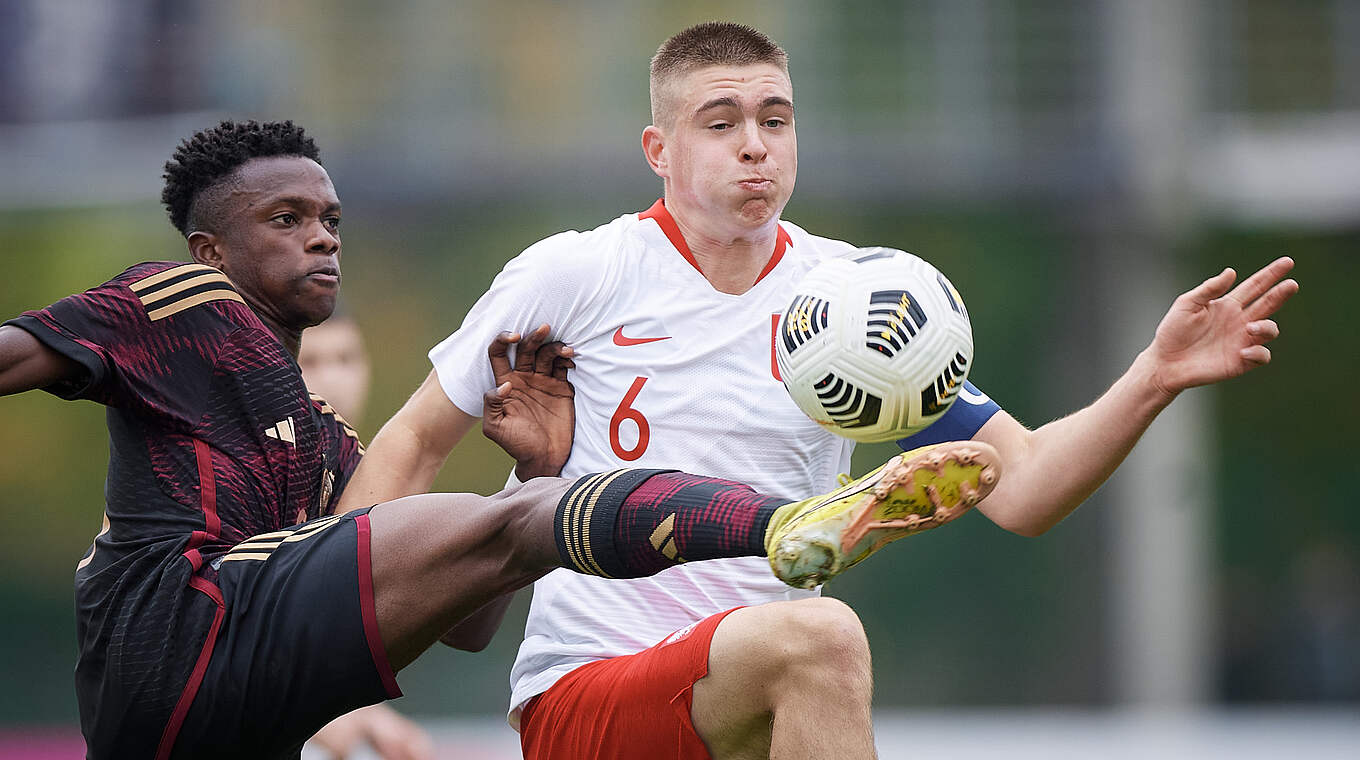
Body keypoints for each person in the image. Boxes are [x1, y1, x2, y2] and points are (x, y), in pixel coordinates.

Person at [345, 22, 1299, 760]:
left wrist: (1157, 373)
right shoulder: (578, 275)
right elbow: (414, 443)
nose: (755, 146)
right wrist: (311, 647)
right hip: (591, 690)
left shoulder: (861, 300)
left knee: (808, 644)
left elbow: (1027, 487)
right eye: (721, 124)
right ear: (658, 148)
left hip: (751, 697)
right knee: (823, 637)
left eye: (776, 119)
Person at [0, 119, 999, 759]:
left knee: (509, 516)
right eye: (287, 217)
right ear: (211, 246)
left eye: (332, 218)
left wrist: (540, 469)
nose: (322, 237)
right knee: (513, 519)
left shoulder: (326, 444)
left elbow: (467, 620)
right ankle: (788, 524)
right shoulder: (172, 298)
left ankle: (773, 521)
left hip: (228, 715)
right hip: (176, 625)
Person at [297, 315, 432, 760]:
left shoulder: (385, 478)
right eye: (310, 361)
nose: (332, 377)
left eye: (346, 358)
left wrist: (366, 714)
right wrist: (325, 717)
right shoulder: (245, 478)